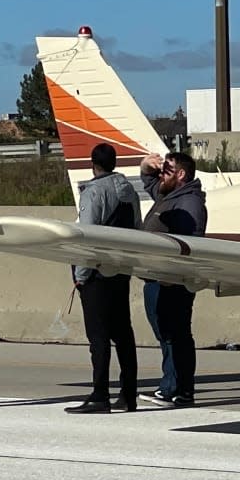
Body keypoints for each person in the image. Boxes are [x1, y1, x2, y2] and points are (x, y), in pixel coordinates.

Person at [65, 143, 143, 414]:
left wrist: (80, 275)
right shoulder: (129, 191)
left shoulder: (93, 192)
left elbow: (87, 236)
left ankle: (100, 394)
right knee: (123, 333)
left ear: (92, 164)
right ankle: (129, 393)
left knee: (98, 337)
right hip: (121, 270)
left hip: (98, 271)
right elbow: (137, 229)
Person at [138, 151, 206, 407]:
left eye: (166, 170)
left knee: (174, 334)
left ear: (181, 175)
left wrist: (172, 276)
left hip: (171, 281)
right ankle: (177, 388)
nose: (160, 175)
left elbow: (190, 243)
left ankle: (174, 389)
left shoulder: (189, 203)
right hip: (158, 278)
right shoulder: (170, 194)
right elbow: (150, 182)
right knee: (168, 333)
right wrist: (146, 166)